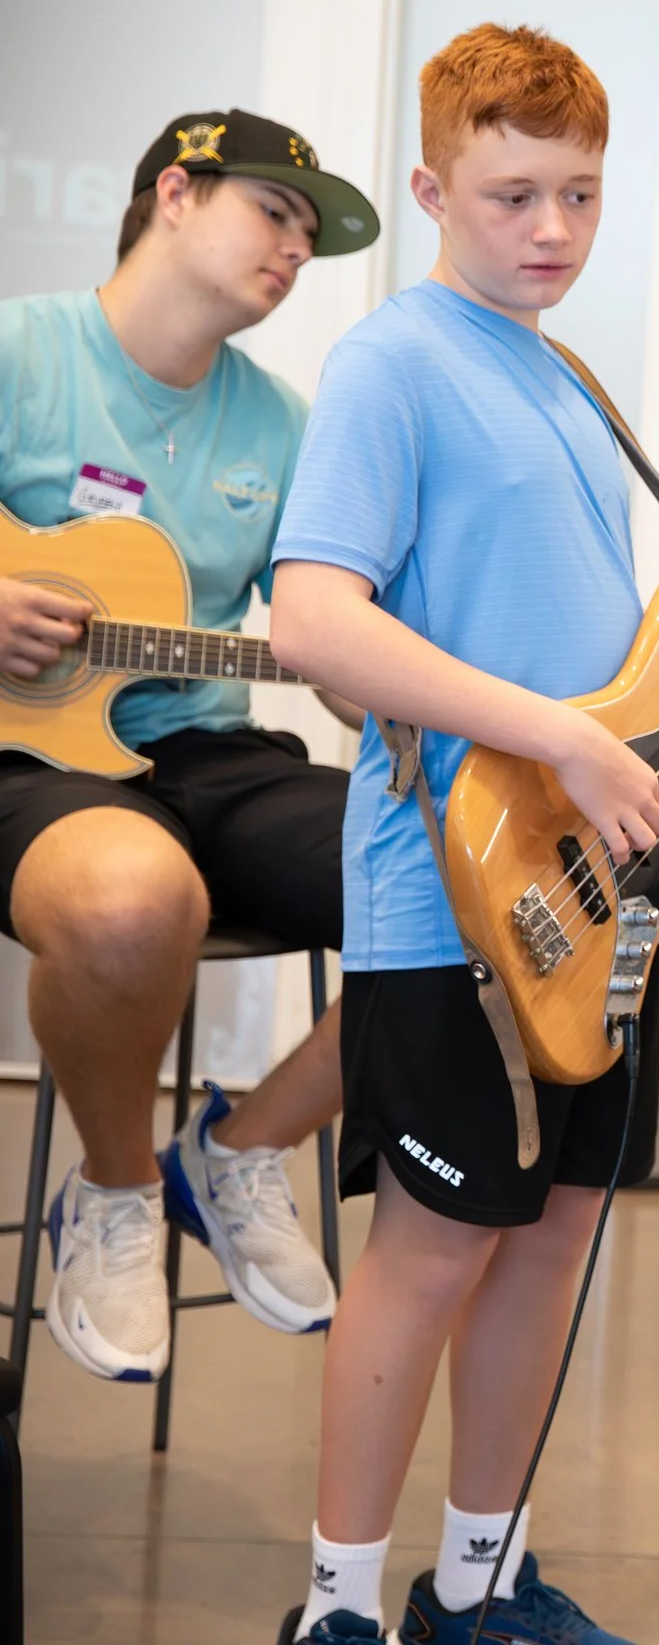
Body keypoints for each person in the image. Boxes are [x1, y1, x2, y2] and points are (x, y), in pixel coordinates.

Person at [263, 24, 659, 1644]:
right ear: (429, 189)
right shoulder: (392, 363)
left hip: (592, 900)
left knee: (549, 1243)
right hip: (445, 905)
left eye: (582, 196)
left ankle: (478, 1583)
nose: (551, 229)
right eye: (512, 194)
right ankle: (337, 1608)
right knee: (428, 1254)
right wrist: (548, 731)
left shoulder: (561, 374)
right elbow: (319, 621)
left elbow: (624, 642)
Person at [0, 110, 383, 1380]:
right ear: (175, 190)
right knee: (132, 899)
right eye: (274, 212)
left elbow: (345, 627)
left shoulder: (287, 425)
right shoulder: (21, 346)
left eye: (310, 237)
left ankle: (237, 1148)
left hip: (212, 751)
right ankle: (110, 1192)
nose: (295, 249)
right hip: (28, 765)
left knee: (467, 883)